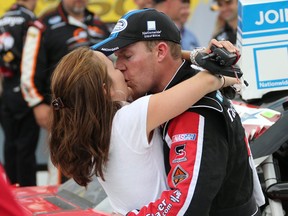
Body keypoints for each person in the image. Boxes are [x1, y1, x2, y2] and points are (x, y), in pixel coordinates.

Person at [92, 8, 265, 216]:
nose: (119, 67)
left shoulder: (194, 111)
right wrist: (193, 55)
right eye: (116, 58)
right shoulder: (174, 89)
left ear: (160, 51)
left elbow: (186, 207)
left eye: (127, 56)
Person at [49, 45, 237, 215]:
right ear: (106, 90)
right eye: (112, 66)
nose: (120, 68)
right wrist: (204, 58)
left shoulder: (91, 132)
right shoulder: (129, 119)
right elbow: (207, 81)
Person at [20, 0, 110, 184]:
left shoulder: (100, 25)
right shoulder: (43, 25)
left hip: (103, 113)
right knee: (65, 170)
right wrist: (37, 104)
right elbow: (28, 72)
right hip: (64, 113)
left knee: (104, 169)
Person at [0, 0, 39, 186]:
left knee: (9, 144)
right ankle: (26, 193)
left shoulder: (2, 19)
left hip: (5, 90)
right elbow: (34, 56)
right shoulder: (30, 19)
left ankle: (10, 191)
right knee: (26, 147)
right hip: (25, 87)